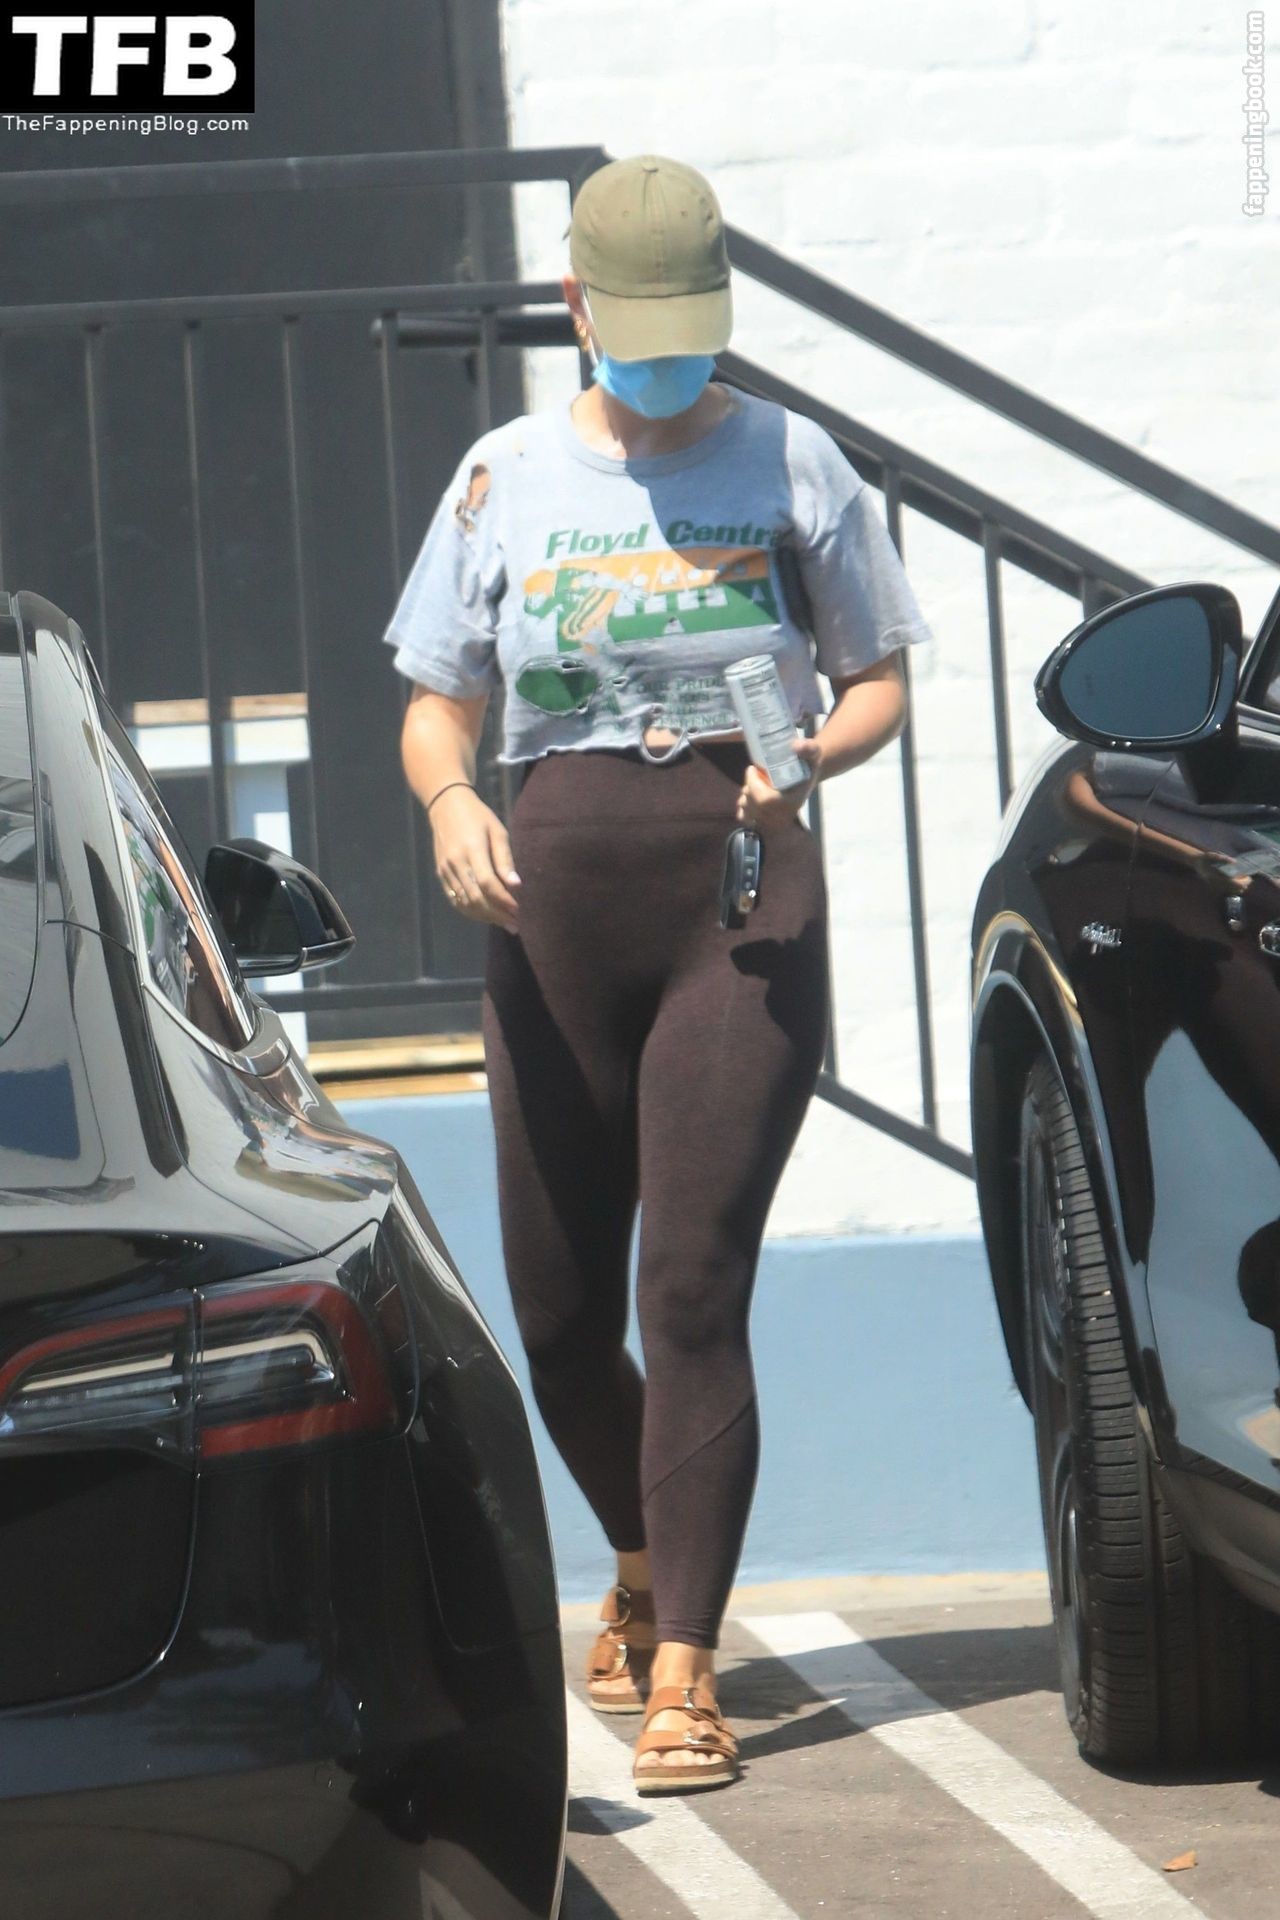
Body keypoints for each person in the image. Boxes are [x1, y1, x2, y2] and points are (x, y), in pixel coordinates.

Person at [382, 153, 932, 1795]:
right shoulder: (502, 476)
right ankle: (638, 1562)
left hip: (738, 905)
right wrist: (450, 802)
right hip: (554, 917)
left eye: (696, 335)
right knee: (558, 1318)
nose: (673, 366)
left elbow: (879, 676)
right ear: (579, 309)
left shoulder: (792, 459)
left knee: (689, 1288)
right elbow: (435, 703)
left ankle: (685, 1667)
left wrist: (811, 754)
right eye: (644, 337)